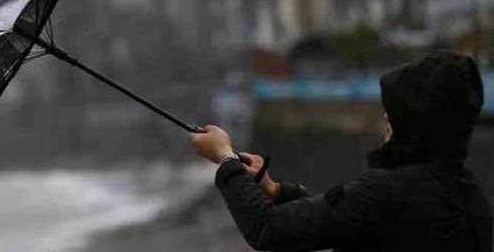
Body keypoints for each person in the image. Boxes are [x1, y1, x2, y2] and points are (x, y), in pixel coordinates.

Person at [190, 51, 492, 251]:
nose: (386, 118)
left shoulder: (385, 192)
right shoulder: (470, 197)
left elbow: (268, 229)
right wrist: (277, 191)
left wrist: (225, 157)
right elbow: (352, 219)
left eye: (395, 112)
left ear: (417, 123)